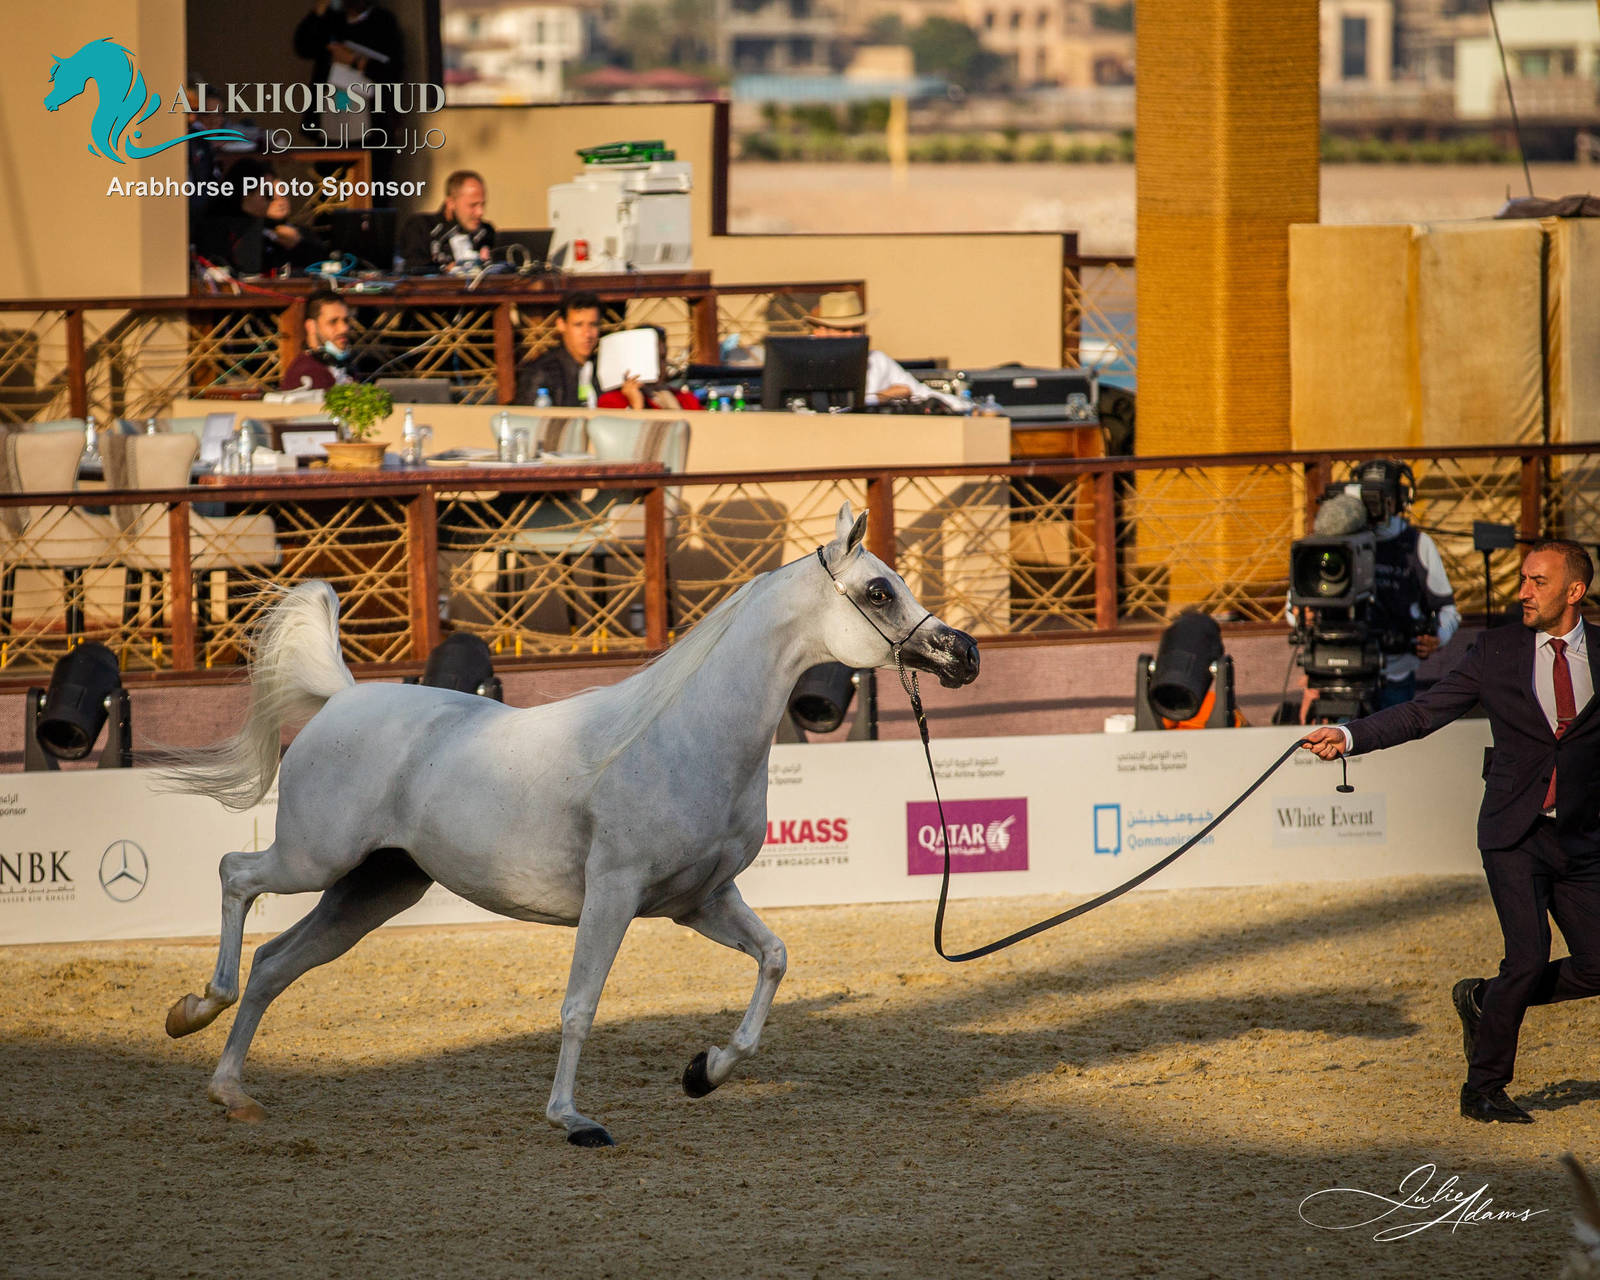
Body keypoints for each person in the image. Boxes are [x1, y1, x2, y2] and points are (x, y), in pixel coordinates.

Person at [1303, 540, 1600, 1125]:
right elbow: (1423, 713)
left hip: (1583, 836)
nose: (1522, 591)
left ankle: (1485, 1000)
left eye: (1538, 582)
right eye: (1521, 579)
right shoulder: (1495, 650)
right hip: (1513, 832)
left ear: (1574, 591)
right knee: (1527, 956)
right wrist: (1350, 734)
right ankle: (1484, 1090)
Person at [1291, 459, 1460, 716]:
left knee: (1393, 750)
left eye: (1383, 497)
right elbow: (1294, 607)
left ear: (1400, 500)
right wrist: (1302, 617)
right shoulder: (1329, 543)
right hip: (1339, 673)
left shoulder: (1416, 544)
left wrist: (1437, 637)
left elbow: (1448, 610)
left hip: (1395, 673)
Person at [806, 291, 966, 412]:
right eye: (843, 330)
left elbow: (919, 392)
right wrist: (881, 397)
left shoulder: (876, 360)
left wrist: (968, 407)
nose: (852, 335)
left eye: (857, 329)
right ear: (820, 332)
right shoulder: (805, 364)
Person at [193, 158, 328, 277]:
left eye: (283, 194)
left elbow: (323, 264)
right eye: (268, 194)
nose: (274, 201)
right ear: (246, 194)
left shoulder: (287, 231)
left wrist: (298, 245)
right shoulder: (218, 229)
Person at [397, 171, 496, 275]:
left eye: (482, 204)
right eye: (473, 205)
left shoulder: (486, 233)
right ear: (451, 203)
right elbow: (414, 270)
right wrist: (445, 269)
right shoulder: (421, 227)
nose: (480, 212)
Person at [515, 292, 601, 407]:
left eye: (593, 325)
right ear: (561, 325)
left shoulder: (604, 367)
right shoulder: (542, 372)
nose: (587, 334)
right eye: (578, 325)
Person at [595, 327, 702, 412]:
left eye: (662, 358)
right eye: (652, 357)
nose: (660, 365)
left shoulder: (686, 399)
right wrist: (636, 406)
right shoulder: (612, 400)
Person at [281, 290, 355, 390]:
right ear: (311, 326)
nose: (344, 328)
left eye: (346, 320)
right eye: (333, 322)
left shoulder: (346, 367)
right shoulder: (306, 373)